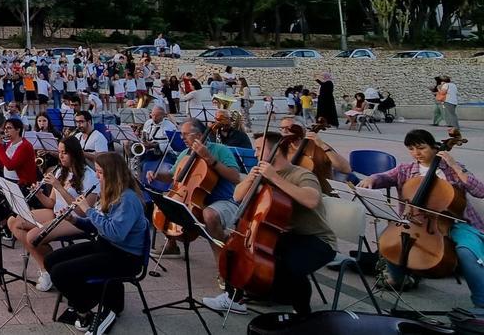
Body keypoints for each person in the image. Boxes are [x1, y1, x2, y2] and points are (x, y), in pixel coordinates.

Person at [205, 130, 337, 316]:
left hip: (316, 239)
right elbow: (237, 196)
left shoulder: (301, 175)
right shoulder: (260, 172)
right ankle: (234, 298)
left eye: (259, 149)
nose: (255, 153)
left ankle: (303, 315)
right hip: (283, 234)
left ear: (276, 150)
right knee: (234, 251)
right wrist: (251, 178)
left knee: (290, 266)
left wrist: (274, 177)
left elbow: (311, 200)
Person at [357, 128, 483, 313]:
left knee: (466, 252)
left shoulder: (452, 170)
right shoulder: (406, 170)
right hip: (416, 222)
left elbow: (479, 191)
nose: (416, 153)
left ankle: (481, 302)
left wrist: (454, 165)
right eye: (411, 149)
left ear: (434, 148)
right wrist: (372, 179)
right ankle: (400, 279)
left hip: (455, 223)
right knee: (389, 238)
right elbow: (385, 177)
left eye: (421, 148)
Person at [46, 152, 149, 334]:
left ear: (112, 173)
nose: (98, 176)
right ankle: (98, 298)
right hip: (106, 245)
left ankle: (86, 309)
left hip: (124, 256)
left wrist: (87, 209)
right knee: (51, 260)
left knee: (60, 273)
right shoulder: (111, 192)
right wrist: (74, 220)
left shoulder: (128, 199)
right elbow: (98, 226)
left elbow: (116, 233)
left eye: (100, 172)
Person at [7, 137, 98, 291]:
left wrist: (59, 187)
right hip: (57, 213)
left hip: (76, 219)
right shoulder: (62, 172)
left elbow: (83, 212)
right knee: (14, 221)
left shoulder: (90, 176)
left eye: (64, 153)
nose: (60, 156)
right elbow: (51, 203)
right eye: (59, 152)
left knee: (32, 237)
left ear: (74, 154)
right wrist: (39, 194)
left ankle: (52, 267)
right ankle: (46, 269)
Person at [148, 118, 242, 259]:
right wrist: (157, 176)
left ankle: (221, 262)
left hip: (223, 200)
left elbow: (235, 177)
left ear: (198, 135)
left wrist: (210, 159)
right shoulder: (185, 153)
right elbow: (174, 176)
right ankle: (171, 245)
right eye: (181, 134)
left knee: (209, 215)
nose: (182, 138)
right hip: (194, 199)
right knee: (165, 203)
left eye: (186, 134)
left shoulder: (220, 150)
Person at [0, 118, 38, 189]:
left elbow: (10, 166)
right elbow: (2, 163)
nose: (6, 131)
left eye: (9, 128)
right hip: (8, 179)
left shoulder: (25, 145)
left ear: (18, 130)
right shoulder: (9, 144)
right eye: (5, 128)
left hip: (20, 183)